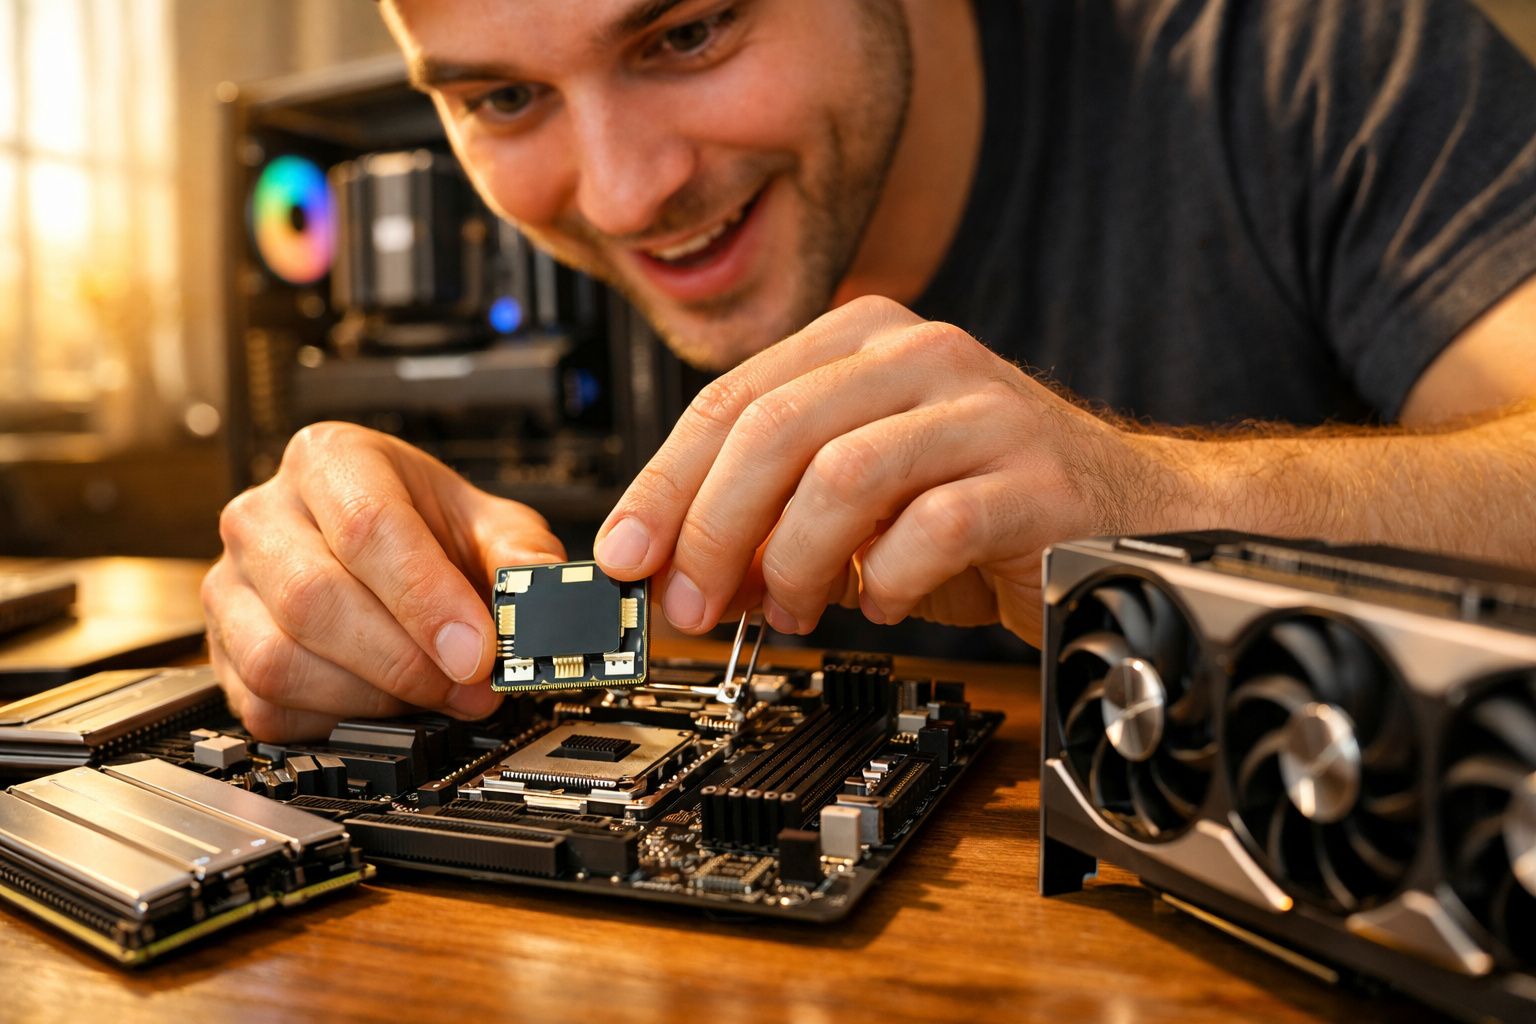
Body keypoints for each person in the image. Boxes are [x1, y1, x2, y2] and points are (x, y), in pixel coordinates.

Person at [203, 0, 1536, 740]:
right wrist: (346, 597)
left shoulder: (1308, 62)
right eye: (501, 100)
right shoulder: (557, 254)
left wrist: (1150, 497)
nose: (620, 198)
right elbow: (495, 611)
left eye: (690, 33)